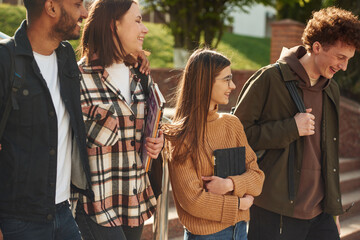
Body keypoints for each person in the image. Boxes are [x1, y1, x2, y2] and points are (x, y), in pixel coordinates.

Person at [233, 7, 360, 240]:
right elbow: (237, 136)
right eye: (340, 57)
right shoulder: (270, 78)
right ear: (318, 47)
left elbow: (328, 152)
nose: (344, 67)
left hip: (320, 214)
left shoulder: (331, 88)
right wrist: (290, 128)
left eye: (349, 60)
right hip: (274, 210)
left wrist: (334, 209)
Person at [0, 0, 94, 239]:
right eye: (77, 4)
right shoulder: (5, 61)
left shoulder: (65, 57)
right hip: (18, 221)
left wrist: (132, 59)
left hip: (64, 213)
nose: (84, 13)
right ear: (51, 8)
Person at [72, 1, 164, 240]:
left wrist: (158, 140)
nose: (145, 29)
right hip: (95, 209)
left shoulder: (141, 76)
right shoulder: (76, 78)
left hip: (134, 201)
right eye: (137, 21)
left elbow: (152, 125)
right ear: (114, 25)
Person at [162, 49, 264, 240]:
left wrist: (229, 184)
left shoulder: (232, 124)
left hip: (240, 231)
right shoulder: (180, 136)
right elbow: (192, 200)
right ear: (206, 82)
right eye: (226, 79)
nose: (232, 85)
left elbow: (257, 178)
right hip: (206, 236)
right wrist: (239, 204)